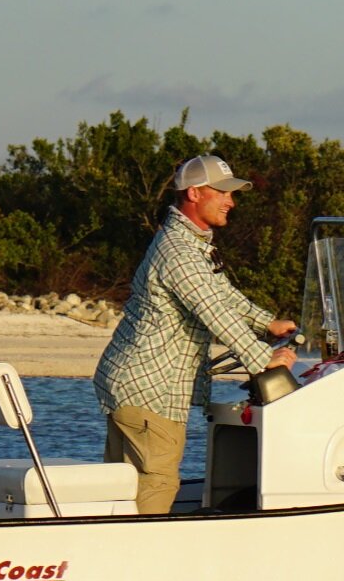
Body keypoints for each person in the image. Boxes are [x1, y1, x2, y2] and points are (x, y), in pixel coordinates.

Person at [94, 155, 297, 514]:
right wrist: (262, 357)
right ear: (194, 193)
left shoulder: (192, 244)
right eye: (222, 192)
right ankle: (140, 557)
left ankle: (112, 551)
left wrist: (266, 323)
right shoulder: (179, 251)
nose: (230, 201)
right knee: (159, 480)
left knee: (125, 483)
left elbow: (221, 293)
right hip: (149, 387)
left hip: (131, 381)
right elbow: (213, 310)